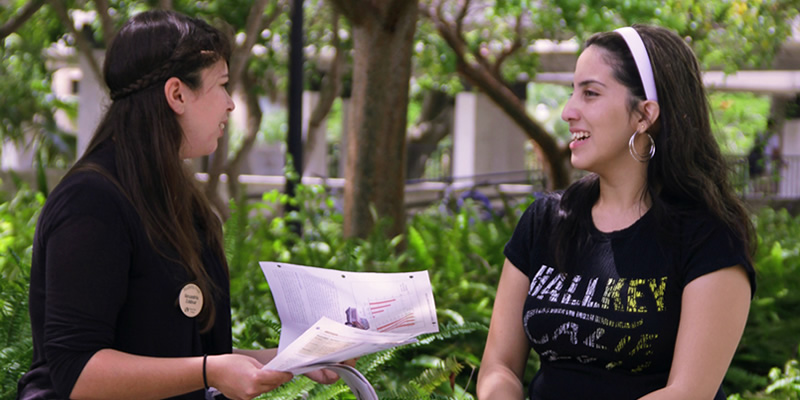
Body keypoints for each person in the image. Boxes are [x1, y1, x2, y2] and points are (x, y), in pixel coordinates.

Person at [17, 10, 340, 400]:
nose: (230, 105)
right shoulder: (91, 201)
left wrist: (287, 359)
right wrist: (211, 370)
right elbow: (78, 372)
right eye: (222, 85)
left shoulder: (175, 200)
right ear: (176, 94)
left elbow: (179, 355)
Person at [477, 24, 756, 400]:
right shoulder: (545, 221)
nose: (567, 111)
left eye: (590, 93)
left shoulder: (708, 238)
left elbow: (688, 392)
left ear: (644, 115)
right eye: (571, 92)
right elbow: (500, 365)